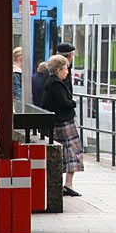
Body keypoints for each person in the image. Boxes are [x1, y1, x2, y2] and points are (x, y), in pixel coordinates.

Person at [42, 54, 83, 197]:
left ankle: (63, 184)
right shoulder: (57, 84)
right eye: (65, 69)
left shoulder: (49, 82)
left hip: (56, 122)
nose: (67, 72)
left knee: (64, 153)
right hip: (64, 123)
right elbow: (64, 103)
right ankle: (68, 184)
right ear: (58, 69)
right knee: (72, 152)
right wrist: (73, 102)